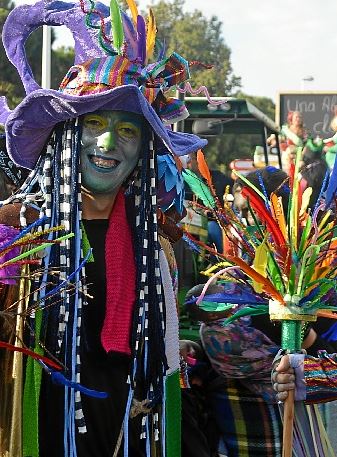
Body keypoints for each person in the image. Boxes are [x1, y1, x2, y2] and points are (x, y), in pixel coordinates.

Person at [0, 1, 207, 456]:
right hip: (41, 431)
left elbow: (161, 358)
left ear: (144, 152)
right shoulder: (19, 236)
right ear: (68, 135)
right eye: (93, 123)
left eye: (127, 130)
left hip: (129, 430)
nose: (108, 143)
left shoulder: (156, 247)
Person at [184, 167, 337, 456]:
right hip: (276, 387)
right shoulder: (261, 242)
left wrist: (305, 347)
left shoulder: (296, 245)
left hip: (299, 372)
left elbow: (306, 336)